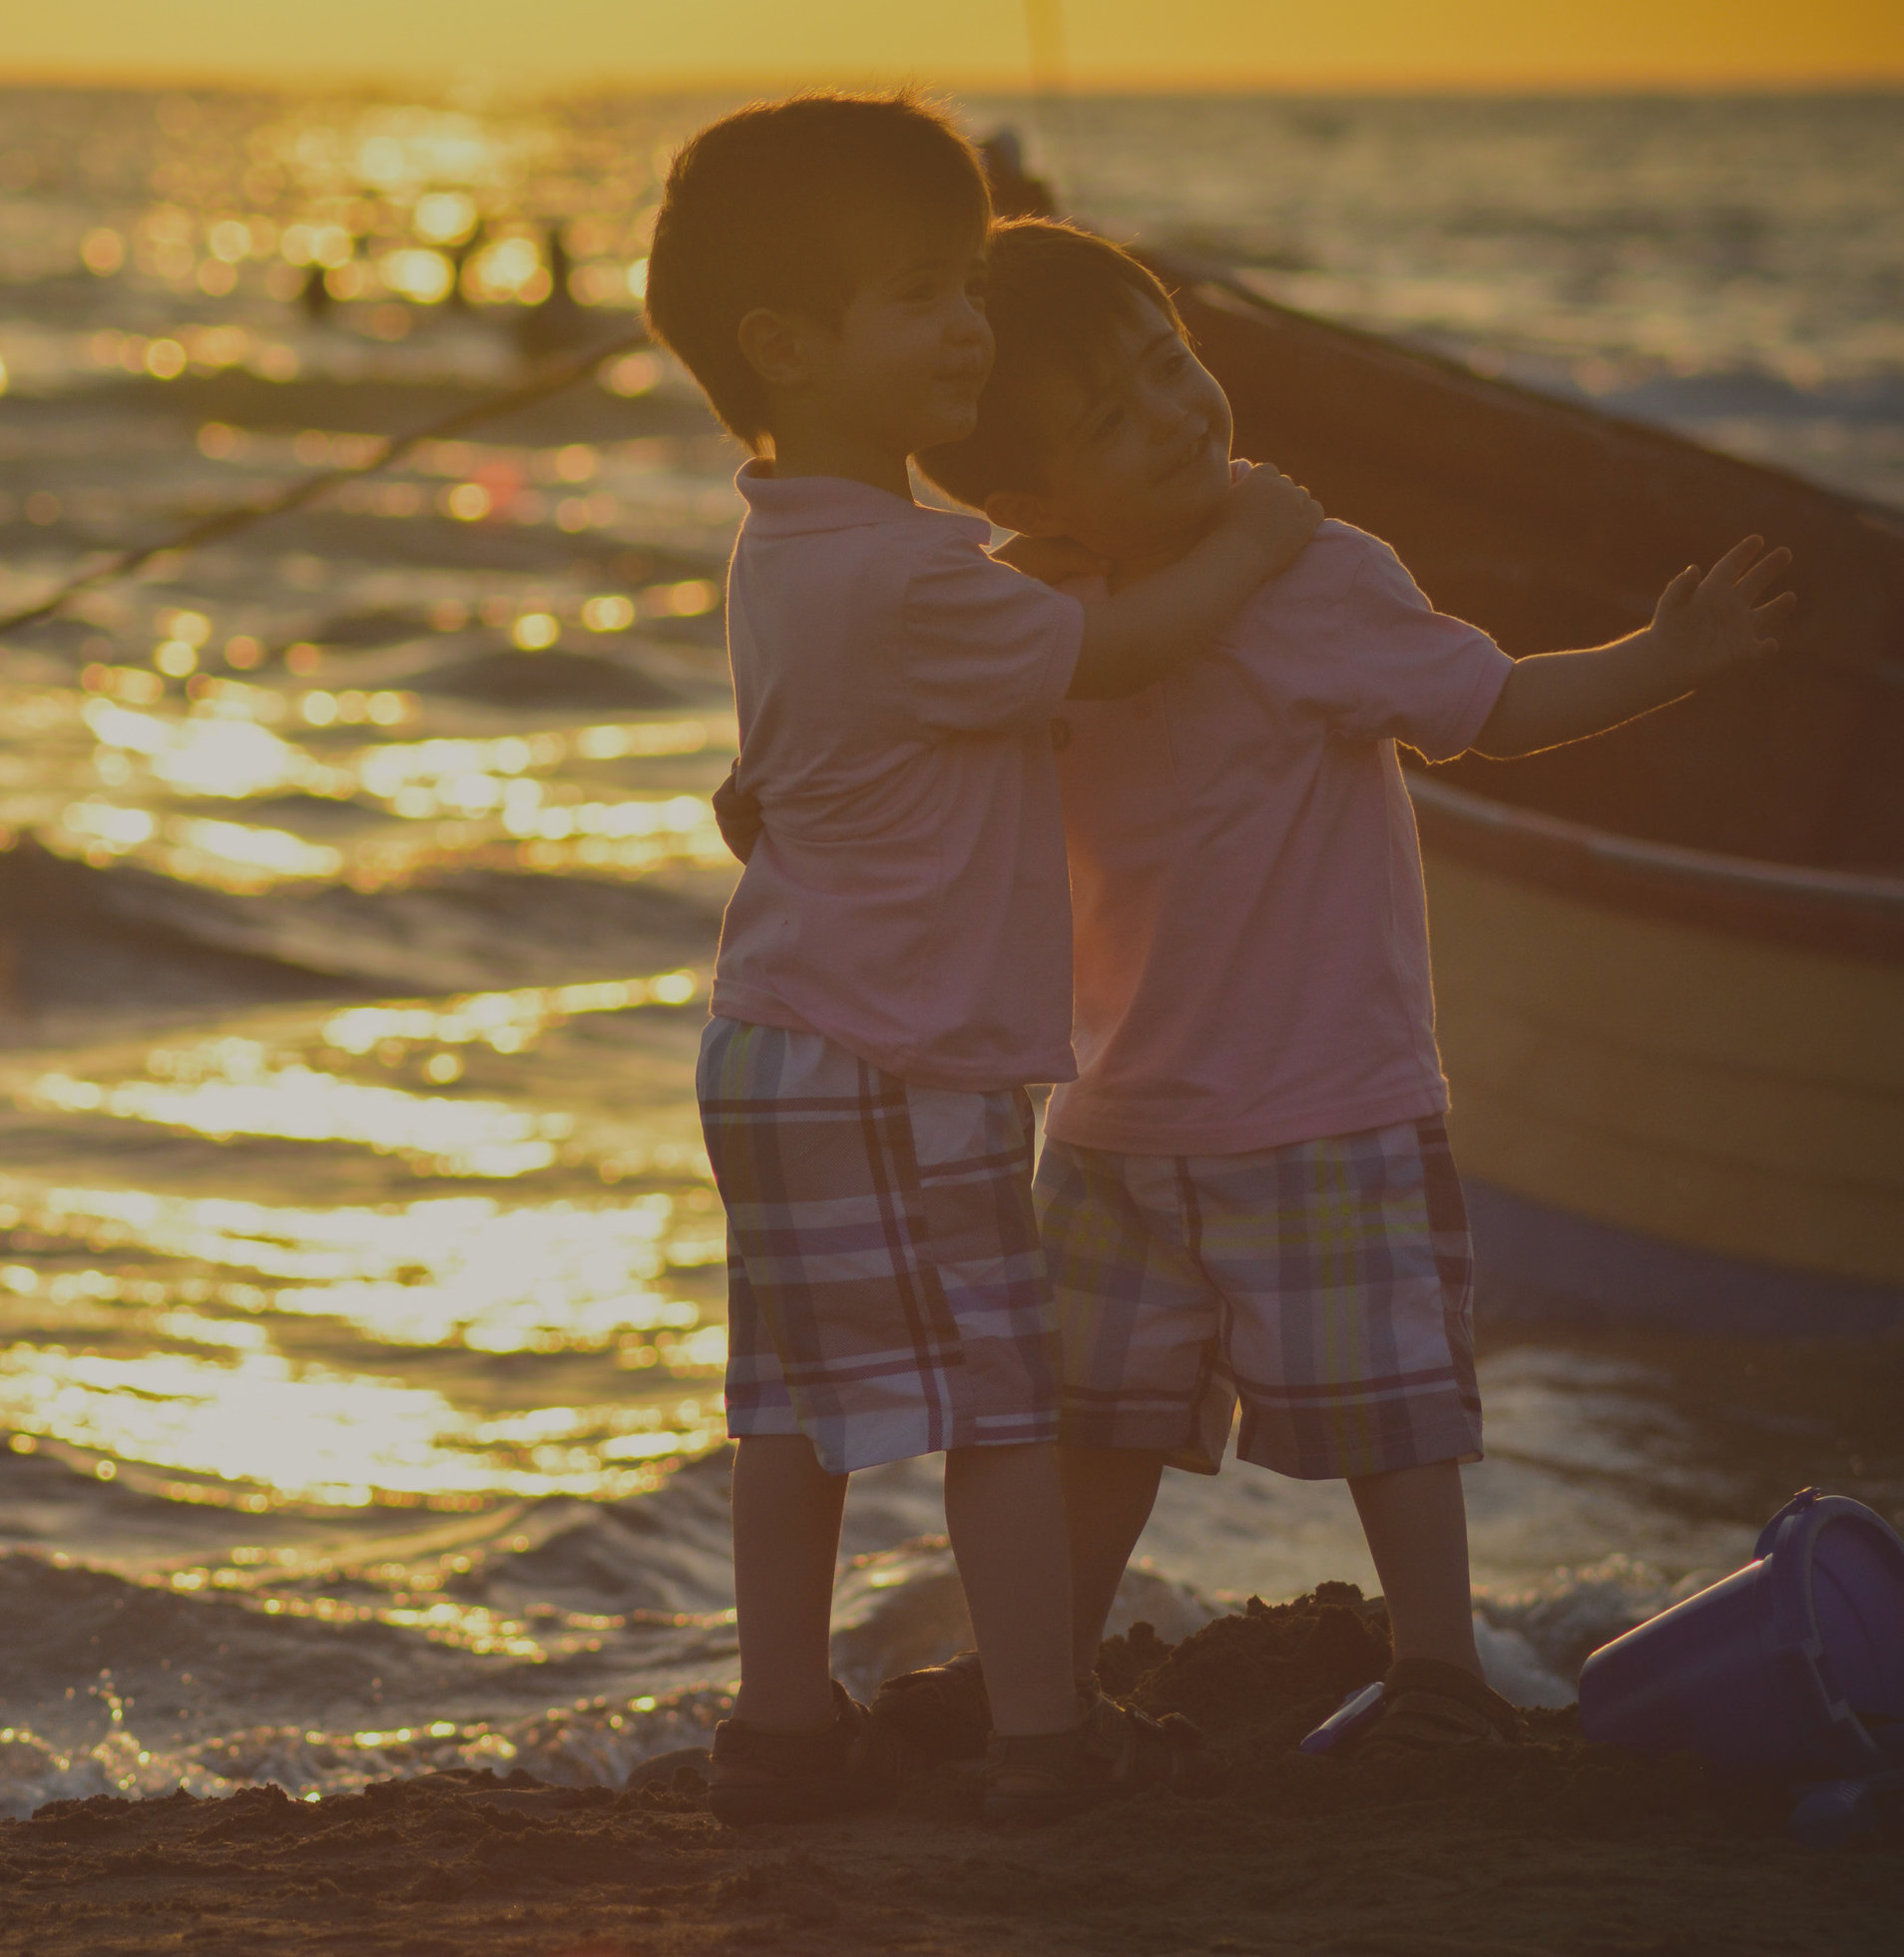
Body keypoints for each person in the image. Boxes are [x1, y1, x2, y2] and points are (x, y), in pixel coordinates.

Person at [838, 217, 1794, 1761]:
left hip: (1324, 1098)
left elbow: (1491, 703)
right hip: (1115, 1116)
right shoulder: (1038, 616)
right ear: (1029, 500)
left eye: (1174, 364)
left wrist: (1660, 657)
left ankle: (1439, 1670)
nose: (1176, 415)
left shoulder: (1323, 576)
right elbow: (914, 757)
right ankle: (1048, 1674)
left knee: (1390, 1412)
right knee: (1095, 1419)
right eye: (1113, 417)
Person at [643, 96, 1324, 1825]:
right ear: (786, 346)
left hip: (779, 1041)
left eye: (966, 286)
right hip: (906, 1059)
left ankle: (778, 1725)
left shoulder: (792, 542)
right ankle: (1044, 1732)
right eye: (921, 297)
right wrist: (1260, 537)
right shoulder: (924, 587)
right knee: (999, 1410)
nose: (970, 328)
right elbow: (1125, 646)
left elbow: (863, 702)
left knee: (792, 1404)